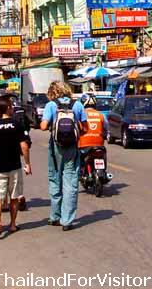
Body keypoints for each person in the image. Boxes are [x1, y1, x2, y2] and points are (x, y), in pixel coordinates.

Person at [39, 81, 88, 231]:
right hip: (72, 147)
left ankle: (55, 216)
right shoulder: (78, 105)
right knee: (71, 181)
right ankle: (67, 221)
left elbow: (42, 126)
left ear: (52, 92)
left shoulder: (51, 105)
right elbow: (85, 128)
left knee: (55, 178)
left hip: (56, 147)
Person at [0, 96, 31, 239]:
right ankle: (12, 224)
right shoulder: (16, 124)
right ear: (8, 108)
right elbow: (24, 145)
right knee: (14, 197)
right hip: (14, 166)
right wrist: (28, 164)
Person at [78, 95, 109, 177]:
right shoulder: (101, 115)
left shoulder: (82, 114)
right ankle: (103, 172)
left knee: (79, 159)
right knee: (103, 155)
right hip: (99, 145)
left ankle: (81, 173)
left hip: (84, 145)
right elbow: (106, 128)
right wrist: (104, 136)